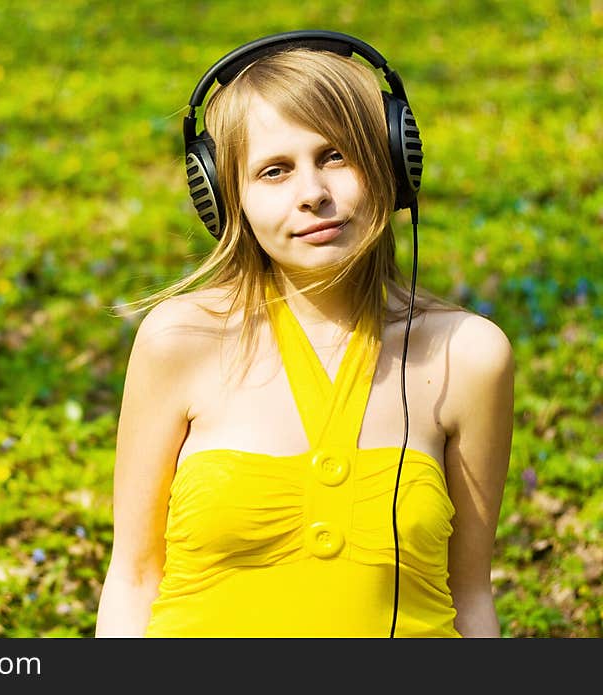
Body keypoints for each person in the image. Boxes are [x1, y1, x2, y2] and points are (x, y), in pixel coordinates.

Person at [95, 31, 514, 638]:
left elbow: (470, 594)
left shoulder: (468, 355)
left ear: (395, 166)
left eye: (337, 156)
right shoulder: (178, 341)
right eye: (274, 171)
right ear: (224, 197)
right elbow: (134, 581)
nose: (312, 193)